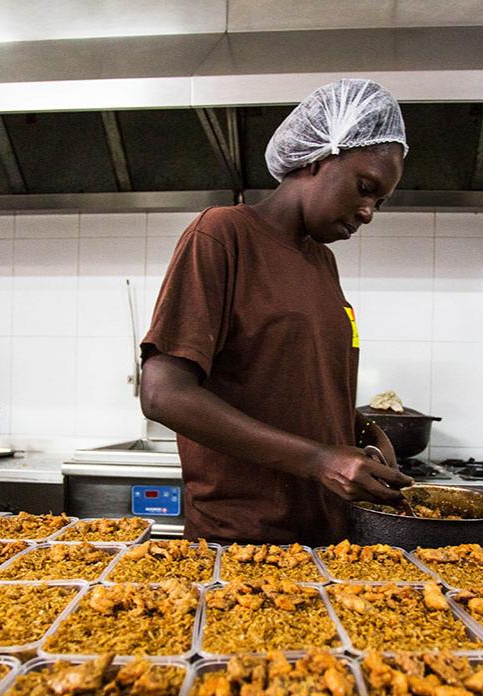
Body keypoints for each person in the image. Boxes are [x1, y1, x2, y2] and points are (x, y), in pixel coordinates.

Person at [140, 79, 412, 545]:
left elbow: (305, 387)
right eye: (365, 188)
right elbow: (163, 393)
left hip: (326, 535)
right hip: (242, 540)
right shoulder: (223, 235)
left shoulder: (322, 261)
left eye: (379, 203)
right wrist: (320, 459)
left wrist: (365, 430)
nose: (368, 212)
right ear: (316, 157)